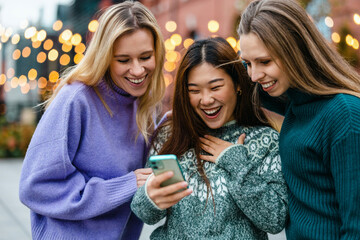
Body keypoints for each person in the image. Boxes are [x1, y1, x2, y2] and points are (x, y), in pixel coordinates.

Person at [19, 1, 166, 239]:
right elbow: (35, 187)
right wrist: (126, 185)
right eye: (124, 60)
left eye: (145, 56)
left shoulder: (145, 105)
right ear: (105, 57)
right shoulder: (76, 100)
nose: (138, 70)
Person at [131, 37, 288, 239]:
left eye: (215, 87)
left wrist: (237, 163)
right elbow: (146, 215)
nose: (206, 100)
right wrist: (150, 197)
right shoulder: (171, 136)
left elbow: (274, 220)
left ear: (238, 84)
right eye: (194, 90)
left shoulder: (265, 141)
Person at [238, 0, 360, 239]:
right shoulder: (296, 100)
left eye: (264, 61)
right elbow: (230, 81)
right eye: (247, 63)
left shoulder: (344, 115)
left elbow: (356, 227)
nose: (253, 75)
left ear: (295, 51)